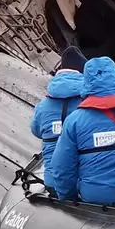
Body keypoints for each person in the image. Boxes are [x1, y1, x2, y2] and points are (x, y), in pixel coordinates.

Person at [48, 56, 115, 205]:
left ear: (86, 82)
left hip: (94, 199)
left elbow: (62, 168)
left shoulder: (74, 121)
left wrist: (68, 198)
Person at [30, 46, 86, 189]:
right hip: (84, 183)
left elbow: (36, 130)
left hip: (53, 181)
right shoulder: (88, 102)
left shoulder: (43, 105)